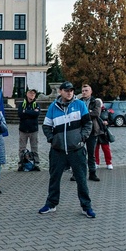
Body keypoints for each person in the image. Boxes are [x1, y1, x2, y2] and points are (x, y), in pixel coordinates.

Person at [39, 81, 96, 218]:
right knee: (54, 178)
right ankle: (51, 204)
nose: (69, 93)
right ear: (60, 91)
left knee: (81, 179)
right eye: (66, 90)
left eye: (71, 90)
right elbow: (46, 126)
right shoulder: (53, 106)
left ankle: (86, 207)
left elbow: (88, 124)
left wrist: (82, 137)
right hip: (58, 150)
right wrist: (52, 139)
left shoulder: (80, 105)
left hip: (76, 149)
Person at [80, 84, 102, 181]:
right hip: (80, 130)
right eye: (83, 91)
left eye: (86, 90)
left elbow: (96, 113)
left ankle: (92, 173)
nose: (84, 92)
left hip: (92, 131)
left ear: (91, 91)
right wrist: (89, 112)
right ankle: (77, 173)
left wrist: (84, 114)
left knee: (91, 153)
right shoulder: (78, 102)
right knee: (79, 153)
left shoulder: (95, 101)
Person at [18, 89, 41, 171]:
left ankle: (36, 164)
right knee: (22, 148)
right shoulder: (22, 104)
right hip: (23, 130)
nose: (32, 94)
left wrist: (26, 112)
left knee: (34, 148)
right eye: (30, 93)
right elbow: (20, 114)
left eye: (34, 93)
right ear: (27, 94)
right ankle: (21, 164)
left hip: (33, 130)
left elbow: (36, 114)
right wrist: (31, 112)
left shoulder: (36, 104)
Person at [94, 102, 113, 169]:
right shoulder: (94, 111)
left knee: (106, 149)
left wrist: (107, 122)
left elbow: (111, 121)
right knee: (95, 149)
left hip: (104, 133)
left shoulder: (106, 111)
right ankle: (96, 163)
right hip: (95, 132)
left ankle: (109, 163)